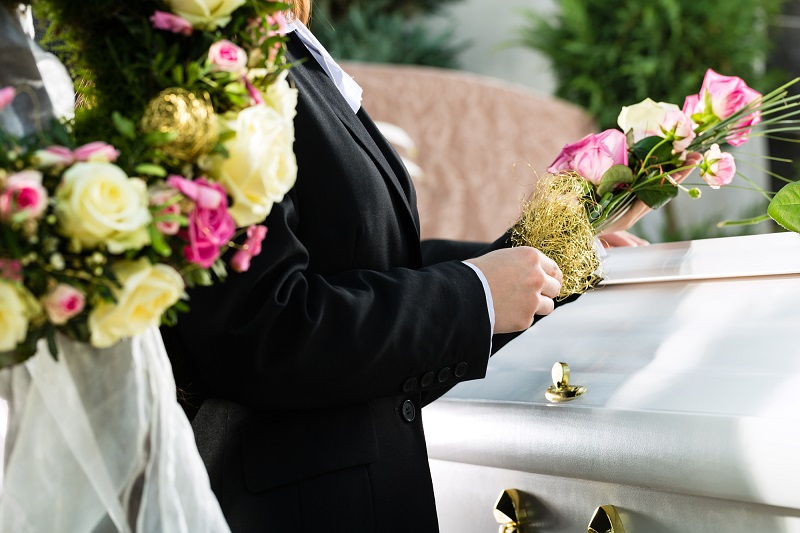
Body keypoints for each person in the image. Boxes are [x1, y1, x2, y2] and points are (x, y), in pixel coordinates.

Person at [160, 1, 669, 530]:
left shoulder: (281, 49)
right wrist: (477, 296)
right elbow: (265, 330)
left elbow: (369, 264)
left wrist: (559, 244)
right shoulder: (211, 64)